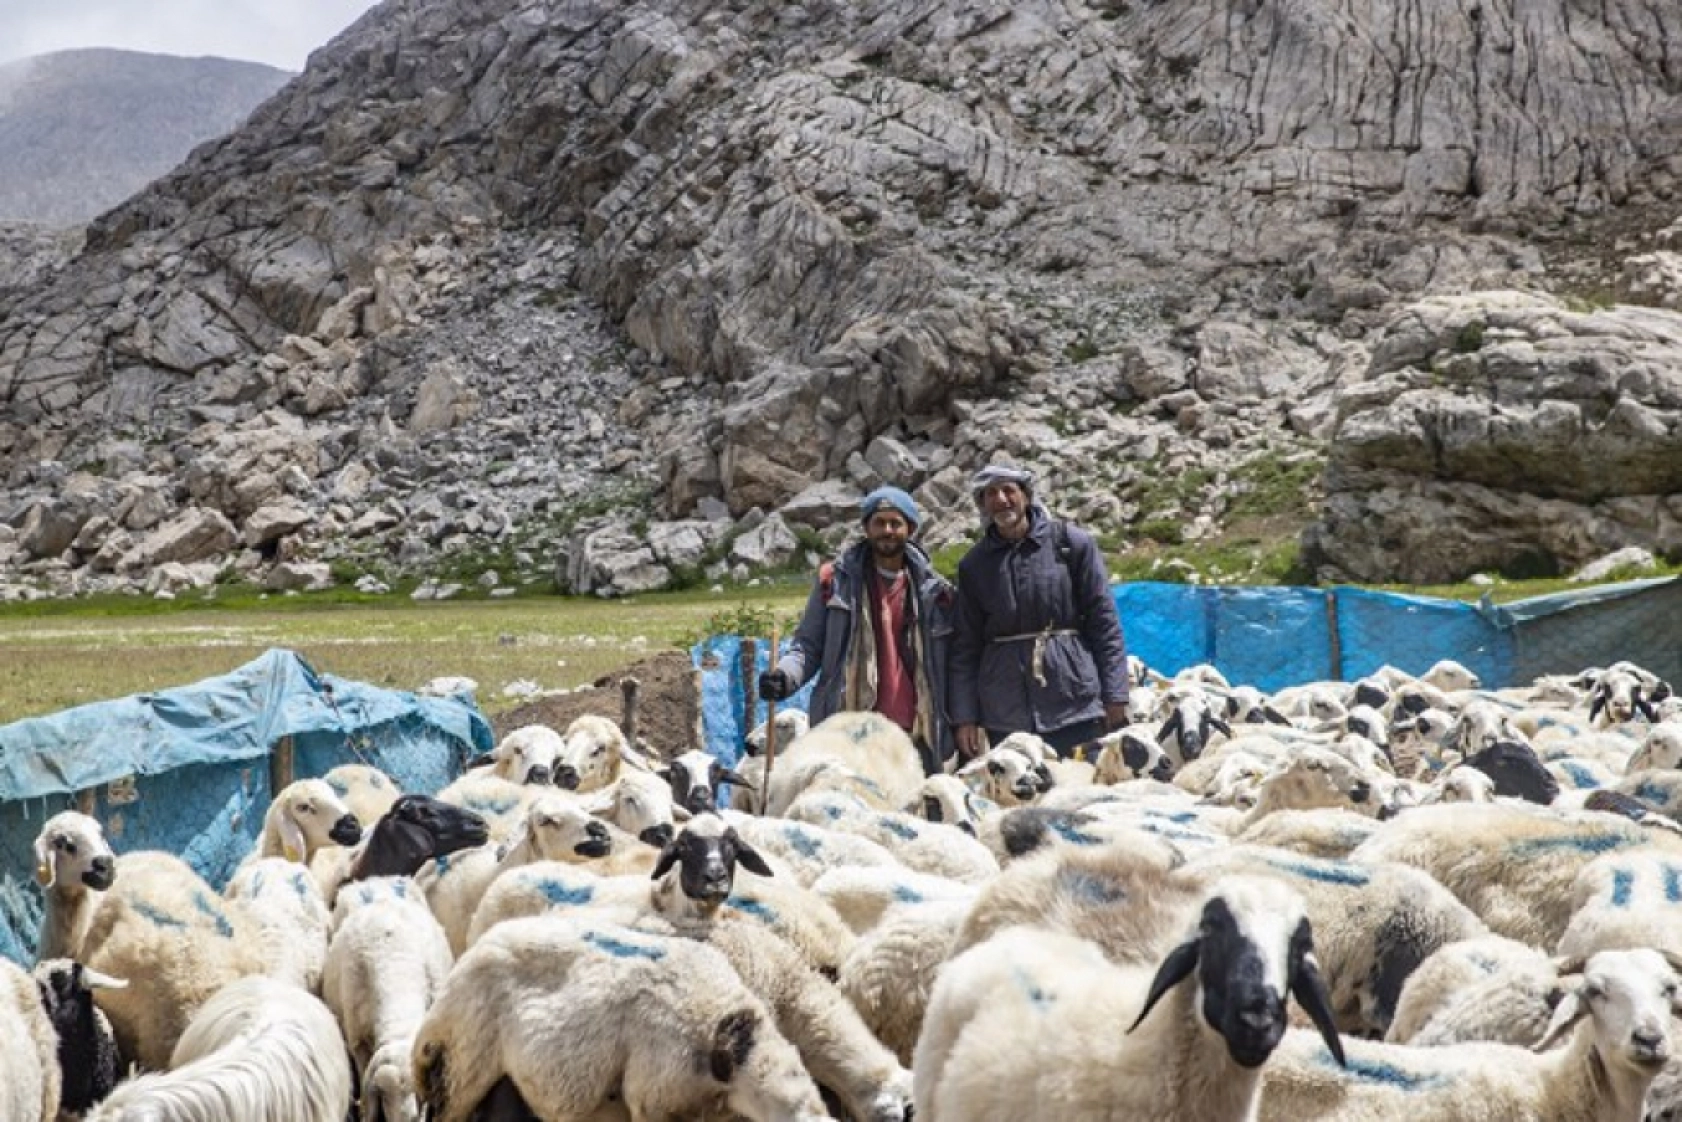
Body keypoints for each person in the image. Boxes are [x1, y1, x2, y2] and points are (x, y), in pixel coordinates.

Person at [757, 486, 955, 775]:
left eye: (895, 523)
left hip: (916, 732)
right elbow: (808, 646)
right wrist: (784, 676)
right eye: (879, 523)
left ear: (910, 529)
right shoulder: (834, 582)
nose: (887, 531)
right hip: (849, 732)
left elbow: (954, 662)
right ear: (866, 528)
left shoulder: (935, 592)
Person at [949, 464, 1129, 760]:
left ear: (1026, 496)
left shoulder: (1070, 544)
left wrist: (1116, 695)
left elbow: (1104, 623)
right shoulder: (974, 565)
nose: (1001, 499)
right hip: (1005, 712)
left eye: (1009, 490)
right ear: (982, 504)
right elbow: (965, 645)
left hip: (1074, 702)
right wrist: (965, 716)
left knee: (1081, 781)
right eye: (991, 493)